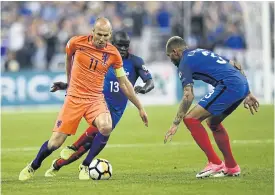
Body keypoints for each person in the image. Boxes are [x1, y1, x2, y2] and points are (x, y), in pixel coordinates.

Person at [19, 18, 148, 181]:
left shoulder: (114, 54)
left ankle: (85, 166)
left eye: (105, 35)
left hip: (95, 98)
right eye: (99, 34)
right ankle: (33, 166)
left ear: (110, 35)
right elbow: (69, 59)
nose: (101, 39)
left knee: (106, 126)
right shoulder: (76, 42)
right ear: (92, 32)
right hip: (74, 98)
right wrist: (69, 83)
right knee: (55, 143)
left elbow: (124, 83)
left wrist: (140, 107)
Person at [44, 31, 154, 177]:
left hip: (117, 112)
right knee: (86, 143)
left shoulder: (135, 62)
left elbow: (150, 82)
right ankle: (80, 160)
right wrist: (66, 85)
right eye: (119, 45)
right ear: (112, 44)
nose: (122, 49)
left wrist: (144, 89)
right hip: (99, 105)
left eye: (125, 46)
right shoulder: (105, 58)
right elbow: (84, 78)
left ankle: (59, 164)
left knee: (88, 145)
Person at [164, 36, 259, 178]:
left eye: (170, 56)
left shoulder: (185, 62)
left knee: (190, 119)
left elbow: (188, 96)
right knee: (213, 122)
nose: (170, 60)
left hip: (229, 85)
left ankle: (214, 162)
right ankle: (232, 166)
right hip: (241, 84)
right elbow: (235, 65)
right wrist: (248, 92)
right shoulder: (200, 52)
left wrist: (175, 123)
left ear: (175, 52)